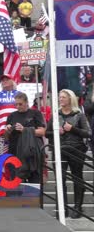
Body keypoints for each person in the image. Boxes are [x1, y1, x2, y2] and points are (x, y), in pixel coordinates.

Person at [46, 89, 91, 218]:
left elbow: (87, 133)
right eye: (60, 97)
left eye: (63, 97)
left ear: (70, 99)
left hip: (76, 150)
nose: (61, 99)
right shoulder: (56, 114)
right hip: (59, 150)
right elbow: (46, 133)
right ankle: (62, 207)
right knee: (60, 179)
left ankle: (77, 208)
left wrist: (73, 129)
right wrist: (56, 131)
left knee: (77, 177)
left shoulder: (79, 114)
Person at [4, 92, 46, 183]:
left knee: (35, 183)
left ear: (27, 102)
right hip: (15, 153)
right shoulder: (11, 116)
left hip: (31, 153)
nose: (18, 106)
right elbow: (6, 138)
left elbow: (42, 132)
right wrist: (7, 130)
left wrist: (25, 130)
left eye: (20, 104)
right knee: (17, 184)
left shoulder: (35, 113)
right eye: (16, 104)